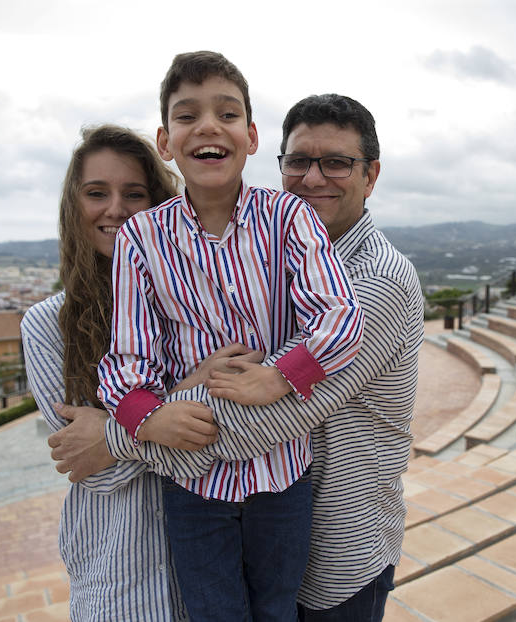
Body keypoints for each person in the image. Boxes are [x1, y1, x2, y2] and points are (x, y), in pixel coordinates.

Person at [51, 94, 424, 621]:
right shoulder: (283, 257)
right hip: (273, 534)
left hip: (338, 560)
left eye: (337, 162)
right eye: (297, 161)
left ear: (372, 174)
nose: (313, 178)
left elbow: (261, 419)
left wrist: (113, 435)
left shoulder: (374, 282)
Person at [95, 52, 364, 621]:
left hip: (282, 474)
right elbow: (125, 362)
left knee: (276, 611)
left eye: (227, 113)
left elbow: (341, 318)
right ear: (167, 142)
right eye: (188, 116)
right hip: (193, 482)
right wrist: (147, 417)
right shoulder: (142, 239)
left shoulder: (289, 217)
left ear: (252, 136)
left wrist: (279, 376)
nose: (209, 126)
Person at [21, 124, 193, 620]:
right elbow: (94, 467)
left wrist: (112, 432)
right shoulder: (48, 324)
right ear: (74, 206)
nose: (115, 209)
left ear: (160, 204)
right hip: (118, 575)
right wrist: (190, 387)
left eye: (134, 193)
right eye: (97, 193)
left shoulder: (193, 303)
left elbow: (226, 431)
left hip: (215, 562)